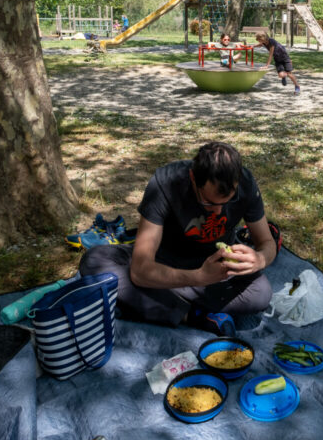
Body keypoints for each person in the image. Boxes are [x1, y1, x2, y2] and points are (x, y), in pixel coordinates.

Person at [79, 142, 278, 336]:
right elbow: (140, 271)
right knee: (94, 261)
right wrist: (199, 277)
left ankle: (161, 304)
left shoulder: (245, 182)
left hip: (214, 268)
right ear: (192, 177)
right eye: (208, 203)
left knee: (261, 293)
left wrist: (259, 259)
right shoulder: (166, 182)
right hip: (164, 263)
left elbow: (267, 243)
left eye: (228, 201)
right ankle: (194, 315)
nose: (218, 211)